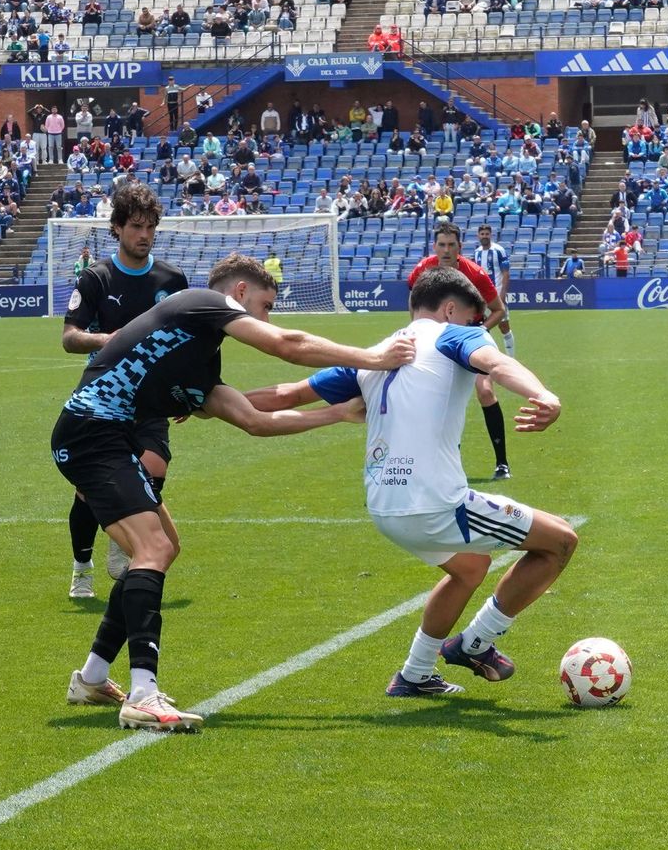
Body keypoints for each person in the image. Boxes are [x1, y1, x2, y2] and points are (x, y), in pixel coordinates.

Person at [52, 254, 415, 731]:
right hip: (91, 432)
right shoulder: (201, 302)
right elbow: (288, 344)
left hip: (107, 436)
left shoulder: (198, 355)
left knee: (165, 548)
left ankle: (93, 677)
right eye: (264, 305)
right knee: (153, 548)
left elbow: (254, 420)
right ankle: (142, 693)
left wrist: (339, 414)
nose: (265, 318)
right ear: (239, 293)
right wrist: (373, 358)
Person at [244, 266, 577, 696]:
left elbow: (287, 394)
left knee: (470, 566)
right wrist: (543, 395)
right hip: (435, 503)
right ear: (450, 309)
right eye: (474, 319)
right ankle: (476, 644)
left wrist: (203, 400)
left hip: (385, 505)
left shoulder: (377, 353)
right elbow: (497, 362)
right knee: (561, 541)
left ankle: (415, 675)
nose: (478, 328)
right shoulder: (452, 335)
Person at [60, 185, 190, 599]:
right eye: (136, 226)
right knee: (88, 490)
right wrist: (107, 340)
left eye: (151, 226)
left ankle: (121, 543)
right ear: (117, 228)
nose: (145, 234)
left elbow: (188, 341)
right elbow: (69, 338)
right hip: (103, 397)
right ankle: (82, 566)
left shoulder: (172, 280)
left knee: (153, 469)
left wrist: (188, 389)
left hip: (150, 398)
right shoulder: (96, 278)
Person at [408, 223, 512, 479]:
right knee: (429, 395)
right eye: (441, 245)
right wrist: (415, 329)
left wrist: (477, 332)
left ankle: (502, 463)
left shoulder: (474, 274)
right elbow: (414, 300)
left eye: (451, 245)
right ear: (434, 247)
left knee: (486, 391)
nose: (446, 250)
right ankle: (431, 462)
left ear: (459, 247)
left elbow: (498, 310)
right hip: (435, 339)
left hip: (469, 337)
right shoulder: (423, 269)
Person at [473, 224, 515, 356]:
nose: (484, 236)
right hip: (481, 297)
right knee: (484, 327)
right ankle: (487, 357)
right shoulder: (477, 252)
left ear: (491, 235)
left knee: (504, 327)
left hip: (496, 295)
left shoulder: (499, 250)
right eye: (482, 234)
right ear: (478, 236)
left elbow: (506, 274)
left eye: (487, 234)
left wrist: (502, 295)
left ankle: (511, 358)